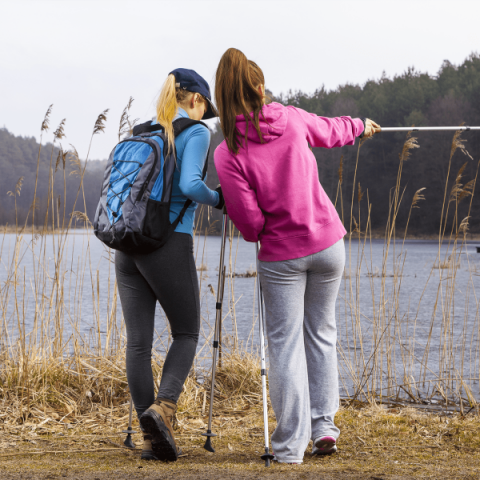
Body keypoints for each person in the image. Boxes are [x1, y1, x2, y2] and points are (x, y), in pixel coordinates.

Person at [213, 48, 380, 464]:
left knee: (285, 345)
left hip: (282, 257)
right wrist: (360, 126)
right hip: (328, 245)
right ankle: (324, 425)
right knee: (321, 333)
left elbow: (250, 224)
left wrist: (266, 224)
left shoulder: (227, 152)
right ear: (258, 88)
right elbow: (331, 129)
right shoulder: (291, 118)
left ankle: (290, 447)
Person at [115, 68, 224, 462]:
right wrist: (220, 199)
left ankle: (151, 440)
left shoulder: (142, 132)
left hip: (127, 244)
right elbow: (192, 186)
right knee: (188, 332)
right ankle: (163, 409)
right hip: (167, 243)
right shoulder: (195, 132)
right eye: (204, 106)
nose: (205, 114)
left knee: (138, 343)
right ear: (194, 99)